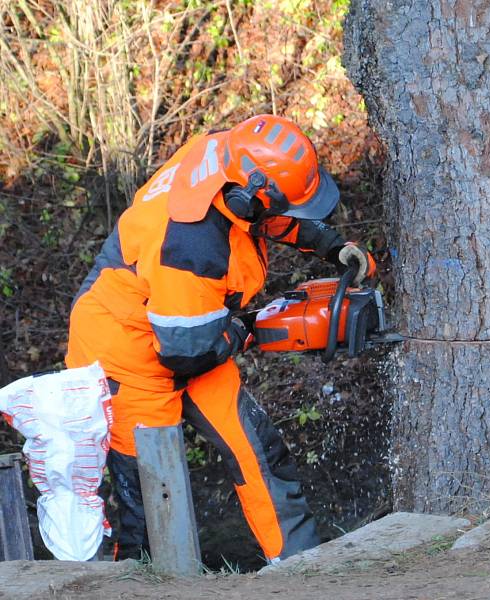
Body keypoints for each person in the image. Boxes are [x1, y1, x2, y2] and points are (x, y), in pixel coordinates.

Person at [65, 114, 376, 562]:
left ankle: (303, 568)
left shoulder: (233, 160)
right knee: (152, 498)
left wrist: (329, 243)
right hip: (127, 356)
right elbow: (187, 352)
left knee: (257, 449)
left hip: (188, 324)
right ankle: (146, 584)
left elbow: (272, 212)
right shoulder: (191, 245)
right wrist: (253, 328)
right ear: (250, 196)